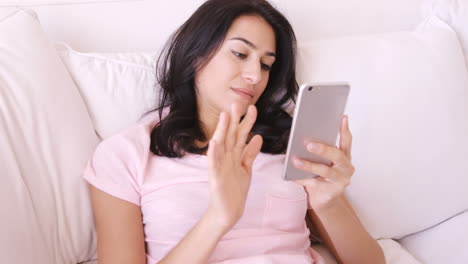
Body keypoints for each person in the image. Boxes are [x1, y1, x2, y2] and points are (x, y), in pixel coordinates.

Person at [82, 0, 386, 263]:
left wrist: (328, 204)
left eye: (266, 65)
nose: (255, 75)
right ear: (195, 53)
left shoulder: (289, 143)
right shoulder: (126, 155)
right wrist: (219, 218)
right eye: (240, 54)